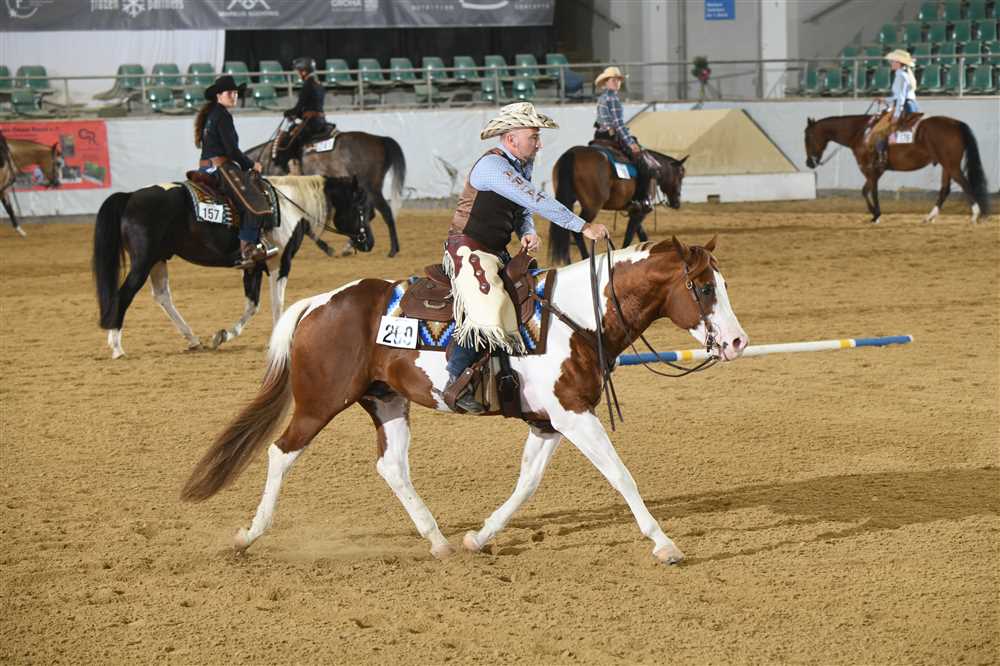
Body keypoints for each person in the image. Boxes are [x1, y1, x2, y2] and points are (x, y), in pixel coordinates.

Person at [443, 102, 609, 414]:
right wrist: (582, 226)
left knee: (534, 295)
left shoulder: (519, 165)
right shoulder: (492, 166)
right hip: (468, 248)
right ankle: (456, 377)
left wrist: (527, 231)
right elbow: (536, 199)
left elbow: (522, 208)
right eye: (534, 137)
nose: (539, 144)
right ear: (511, 139)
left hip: (496, 250)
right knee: (489, 303)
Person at [194, 75, 275, 269]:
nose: (234, 96)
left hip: (206, 166)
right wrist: (251, 164)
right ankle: (247, 251)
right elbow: (231, 150)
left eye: (235, 93)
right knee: (254, 202)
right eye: (229, 93)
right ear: (219, 95)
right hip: (220, 167)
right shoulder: (222, 115)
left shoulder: (212, 114)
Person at [593, 66, 656, 214]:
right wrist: (631, 143)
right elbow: (618, 124)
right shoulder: (612, 98)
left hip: (600, 136)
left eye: (618, 80)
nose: (616, 82)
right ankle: (640, 199)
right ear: (606, 82)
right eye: (613, 80)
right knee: (643, 163)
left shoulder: (602, 97)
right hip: (612, 136)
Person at [868, 49, 920, 169]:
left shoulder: (900, 76)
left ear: (898, 63)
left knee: (879, 130)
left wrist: (896, 114)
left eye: (893, 61)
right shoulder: (903, 75)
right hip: (908, 105)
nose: (891, 63)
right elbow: (898, 97)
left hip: (904, 107)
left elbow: (901, 98)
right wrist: (885, 100)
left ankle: (881, 158)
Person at [276, 57, 329, 171]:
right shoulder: (319, 84)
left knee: (288, 140)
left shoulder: (307, 85)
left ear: (304, 71)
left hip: (311, 122)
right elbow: (313, 106)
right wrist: (298, 114)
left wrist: (288, 113)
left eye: (298, 71)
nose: (298, 74)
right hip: (321, 120)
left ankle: (293, 166)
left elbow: (299, 107)